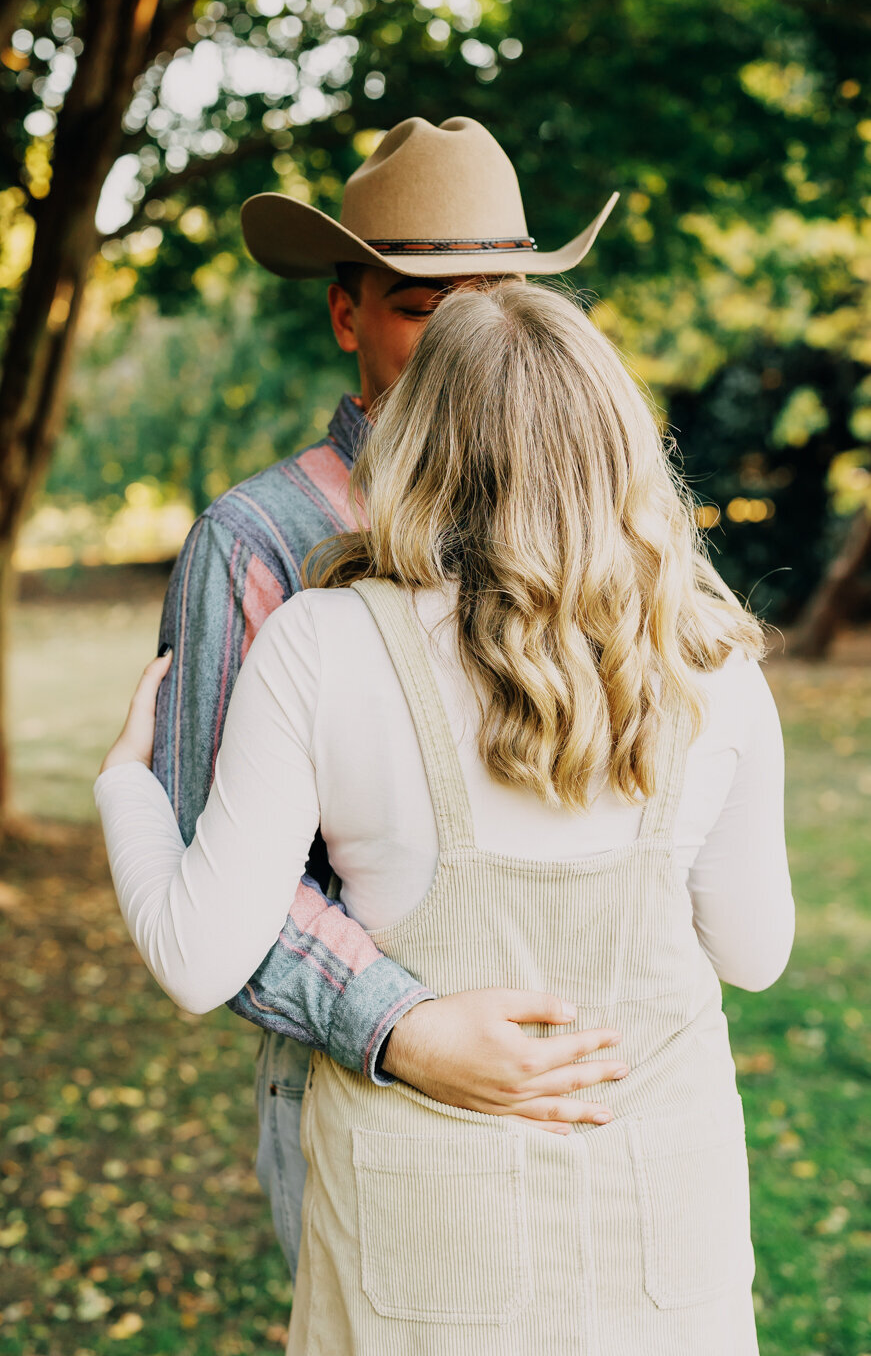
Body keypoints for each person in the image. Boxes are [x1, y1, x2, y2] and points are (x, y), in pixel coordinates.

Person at [97, 280, 794, 1353]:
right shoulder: (716, 666)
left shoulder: (323, 646)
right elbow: (751, 953)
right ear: (618, 442)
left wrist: (126, 792)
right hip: (668, 1251)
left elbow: (197, 956)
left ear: (417, 438)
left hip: (423, 1258)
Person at [147, 112, 621, 1276]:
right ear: (345, 311)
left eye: (492, 297)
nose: (471, 342)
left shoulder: (608, 532)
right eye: (423, 306)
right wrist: (405, 1026)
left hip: (589, 1077)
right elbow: (221, 870)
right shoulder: (259, 541)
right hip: (363, 1084)